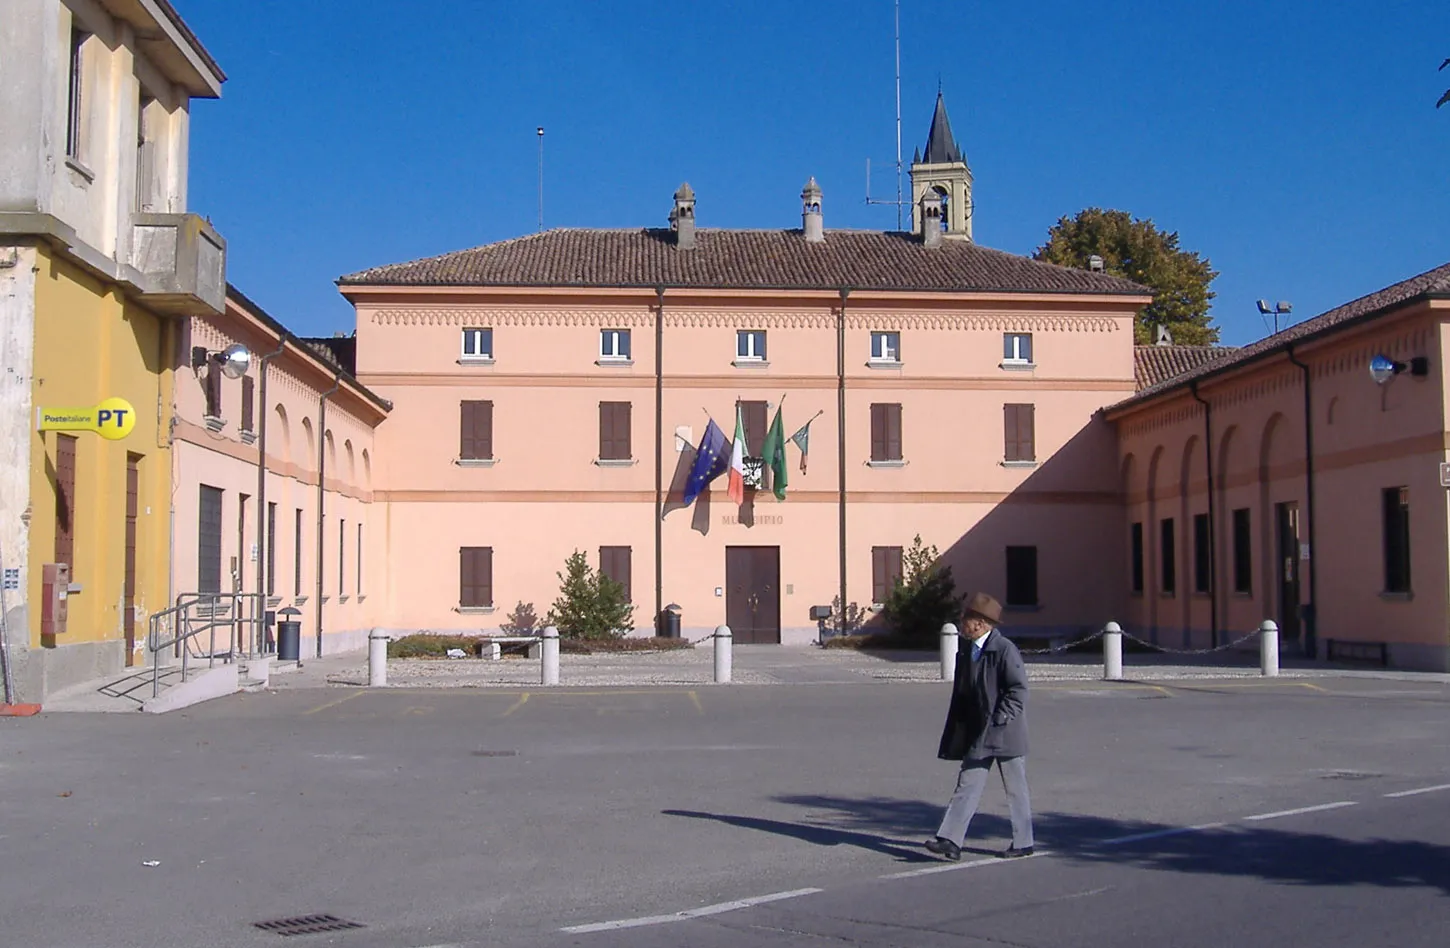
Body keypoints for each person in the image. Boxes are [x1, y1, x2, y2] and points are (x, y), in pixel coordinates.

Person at [925, 592, 1035, 861]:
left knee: (1015, 788)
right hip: (978, 731)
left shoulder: (1005, 649)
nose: (963, 622)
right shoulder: (967, 648)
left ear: (982, 623)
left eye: (968, 618)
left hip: (1005, 731)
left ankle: (1024, 842)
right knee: (968, 783)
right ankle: (950, 840)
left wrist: (1000, 718)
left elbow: (1018, 690)